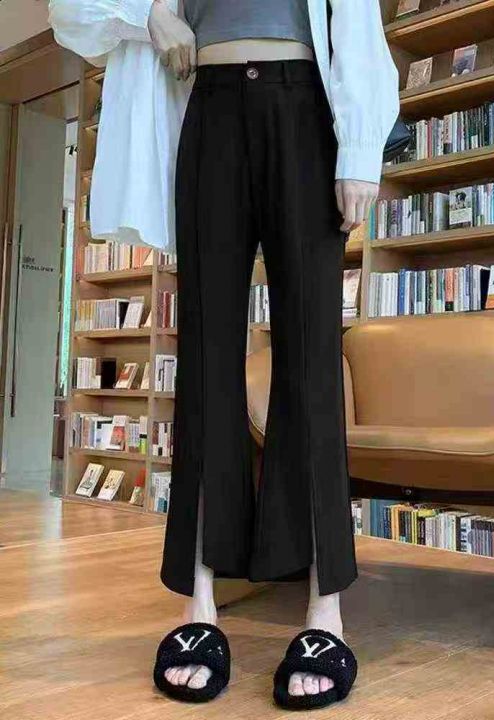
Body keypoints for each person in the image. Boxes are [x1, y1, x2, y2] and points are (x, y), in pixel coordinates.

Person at [50, 0, 399, 710]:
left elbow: (356, 20)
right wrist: (151, 13)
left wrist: (361, 149)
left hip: (305, 108)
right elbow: (70, 12)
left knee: (312, 364)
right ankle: (200, 603)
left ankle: (324, 611)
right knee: (206, 363)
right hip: (208, 109)